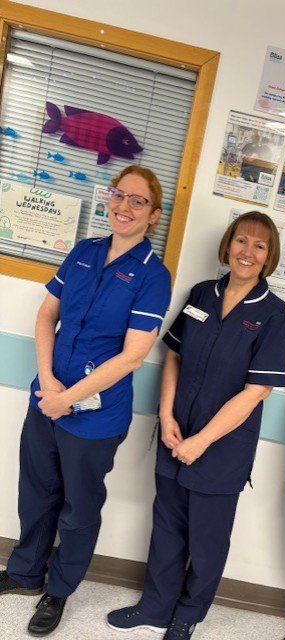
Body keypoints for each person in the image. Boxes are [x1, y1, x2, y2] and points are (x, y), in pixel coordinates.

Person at [0, 165, 171, 637]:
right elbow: (46, 314)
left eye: (138, 200)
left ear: (154, 214)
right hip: (48, 395)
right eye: (119, 195)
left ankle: (58, 589)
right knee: (36, 490)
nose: (124, 206)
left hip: (95, 416)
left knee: (78, 507)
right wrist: (50, 383)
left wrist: (68, 399)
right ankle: (24, 571)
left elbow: (134, 355)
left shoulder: (153, 276)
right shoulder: (83, 252)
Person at [108, 211, 285, 639]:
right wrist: (166, 415)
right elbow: (173, 354)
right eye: (241, 241)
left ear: (269, 257)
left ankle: (188, 615)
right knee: (167, 526)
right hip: (175, 434)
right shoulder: (201, 294)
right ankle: (155, 606)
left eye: (259, 245)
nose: (248, 251)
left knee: (207, 541)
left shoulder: (273, 313)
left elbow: (257, 391)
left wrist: (202, 441)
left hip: (222, 447)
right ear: (227, 245)